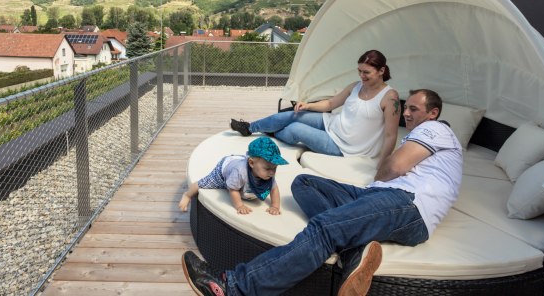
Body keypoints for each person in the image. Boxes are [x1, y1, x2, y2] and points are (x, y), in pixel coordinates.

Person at [183, 89, 463, 296]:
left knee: (326, 228)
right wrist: (384, 173)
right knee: (304, 183)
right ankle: (355, 248)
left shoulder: (435, 129)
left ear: (433, 113)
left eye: (414, 109)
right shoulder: (425, 135)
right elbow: (387, 172)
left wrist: (387, 169)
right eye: (406, 108)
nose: (406, 113)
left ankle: (233, 288)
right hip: (380, 196)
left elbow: (395, 167)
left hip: (408, 206)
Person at [230, 50, 400, 166]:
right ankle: (249, 128)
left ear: (381, 70)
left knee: (295, 129)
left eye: (366, 72)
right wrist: (307, 105)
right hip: (332, 123)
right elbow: (331, 104)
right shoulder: (356, 86)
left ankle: (274, 132)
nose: (362, 76)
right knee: (294, 114)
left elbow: (391, 134)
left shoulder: (390, 97)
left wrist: (383, 163)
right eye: (360, 71)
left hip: (344, 146)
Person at [178, 136, 288, 215]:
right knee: (203, 183)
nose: (272, 172)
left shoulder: (267, 173)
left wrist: (275, 206)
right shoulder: (239, 172)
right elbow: (233, 189)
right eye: (268, 168)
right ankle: (187, 195)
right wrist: (239, 205)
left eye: (275, 168)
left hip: (242, 162)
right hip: (225, 169)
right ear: (251, 163)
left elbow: (274, 189)